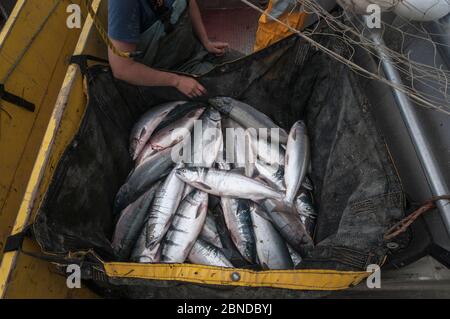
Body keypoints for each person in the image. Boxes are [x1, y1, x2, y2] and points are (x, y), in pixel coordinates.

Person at [108, 0, 238, 98]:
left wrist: (205, 41)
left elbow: (189, 3)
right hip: (165, 82)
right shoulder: (123, 4)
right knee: (234, 92)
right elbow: (122, 68)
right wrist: (177, 81)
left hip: (195, 52)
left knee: (245, 67)